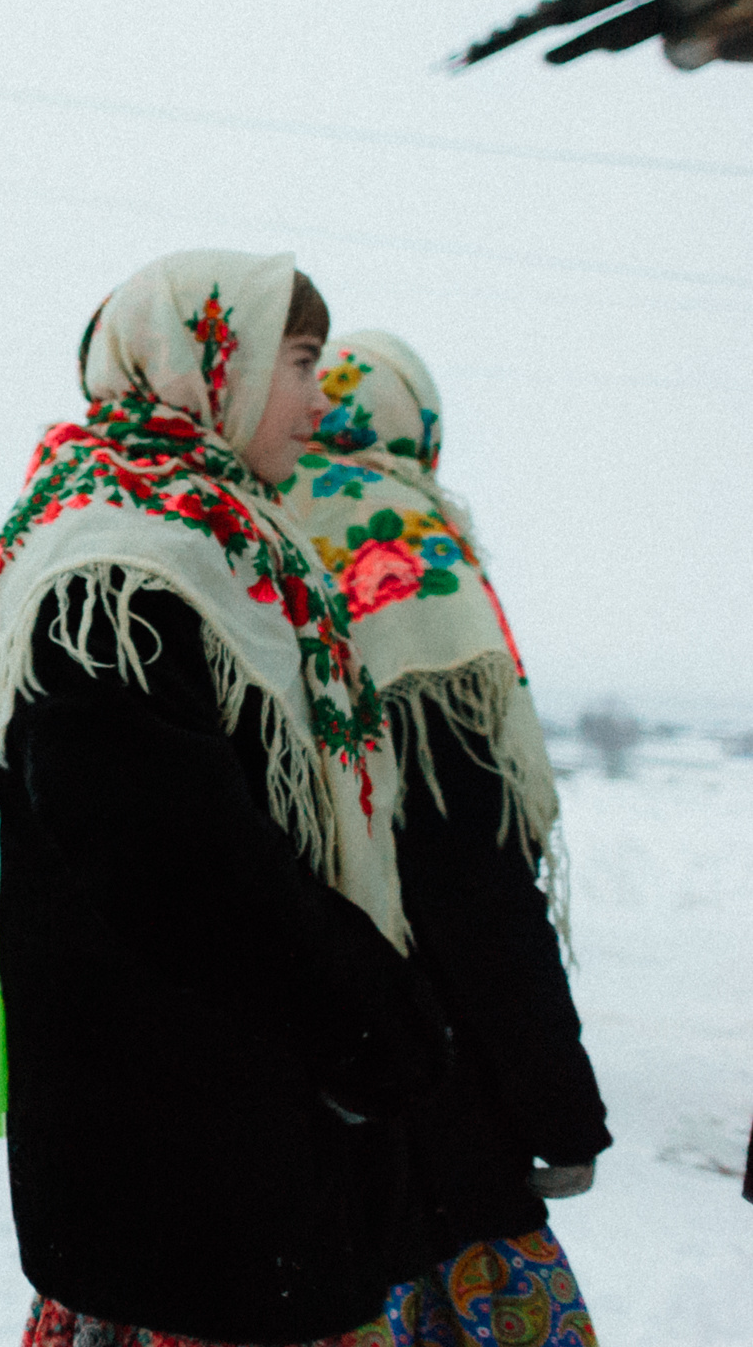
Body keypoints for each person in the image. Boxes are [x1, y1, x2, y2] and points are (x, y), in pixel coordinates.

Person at [0, 250, 447, 1345]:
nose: (321, 397)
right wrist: (369, 1010)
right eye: (300, 359)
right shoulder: (118, 565)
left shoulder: (224, 541)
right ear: (202, 362)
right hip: (190, 1162)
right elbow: (181, 865)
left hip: (235, 1149)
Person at [291, 331, 608, 1344]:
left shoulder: (239, 528)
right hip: (424, 1093)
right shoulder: (405, 557)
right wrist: (556, 1104)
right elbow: (467, 859)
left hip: (276, 1072)